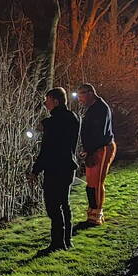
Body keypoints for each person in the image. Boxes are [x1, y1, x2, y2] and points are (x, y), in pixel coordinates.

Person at [27, 87, 81, 251]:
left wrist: (35, 170)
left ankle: (57, 242)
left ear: (55, 101)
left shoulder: (52, 123)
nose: (45, 103)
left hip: (55, 168)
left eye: (47, 99)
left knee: (52, 206)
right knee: (64, 203)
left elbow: (47, 149)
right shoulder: (74, 118)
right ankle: (67, 240)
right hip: (68, 166)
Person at [76, 83, 116, 225]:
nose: (80, 100)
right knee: (91, 182)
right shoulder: (92, 108)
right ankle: (92, 211)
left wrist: (90, 151)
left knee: (97, 182)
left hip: (102, 148)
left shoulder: (101, 109)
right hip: (93, 149)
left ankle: (97, 214)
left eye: (81, 96)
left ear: (90, 93)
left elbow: (99, 133)